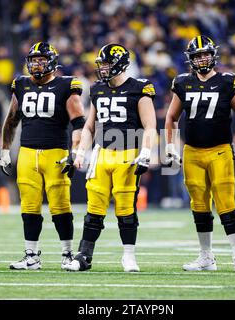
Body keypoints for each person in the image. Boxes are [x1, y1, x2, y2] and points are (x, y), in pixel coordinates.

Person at [63, 43, 157, 272]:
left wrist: (146, 153)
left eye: (107, 64)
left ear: (120, 64)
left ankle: (128, 256)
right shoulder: (97, 89)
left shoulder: (139, 88)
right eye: (101, 64)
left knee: (126, 209)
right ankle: (84, 256)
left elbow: (150, 125)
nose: (103, 68)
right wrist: (80, 152)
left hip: (128, 153)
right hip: (102, 154)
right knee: (94, 208)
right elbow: (89, 127)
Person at [164, 35, 235, 272]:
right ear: (191, 59)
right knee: (199, 205)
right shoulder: (182, 82)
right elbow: (171, 117)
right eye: (198, 55)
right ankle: (206, 257)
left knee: (226, 202)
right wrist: (171, 146)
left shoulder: (228, 81)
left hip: (220, 150)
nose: (202, 58)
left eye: (205, 54)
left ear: (213, 55)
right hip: (192, 152)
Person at [0, 42, 85, 270]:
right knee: (28, 206)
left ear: (52, 62)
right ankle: (31, 256)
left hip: (55, 152)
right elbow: (11, 119)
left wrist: (76, 151)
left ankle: (67, 254)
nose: (37, 64)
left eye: (41, 60)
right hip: (27, 152)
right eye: (34, 60)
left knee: (60, 206)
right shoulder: (21, 84)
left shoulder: (66, 85)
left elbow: (79, 122)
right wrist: (5, 150)